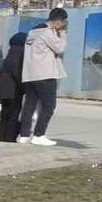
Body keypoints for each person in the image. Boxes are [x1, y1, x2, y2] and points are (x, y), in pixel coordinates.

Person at [19, 8, 68, 146]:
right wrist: (63, 34)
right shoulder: (47, 32)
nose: (63, 25)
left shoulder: (33, 32)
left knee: (29, 105)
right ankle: (39, 135)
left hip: (31, 74)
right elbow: (60, 48)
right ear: (58, 21)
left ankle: (24, 135)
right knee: (49, 105)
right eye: (63, 22)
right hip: (45, 74)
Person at [0, 32, 28, 143]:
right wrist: (24, 87)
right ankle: (10, 138)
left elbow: (1, 72)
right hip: (14, 90)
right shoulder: (20, 52)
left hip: (4, 89)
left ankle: (2, 137)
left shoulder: (10, 53)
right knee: (13, 114)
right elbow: (17, 72)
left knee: (4, 114)